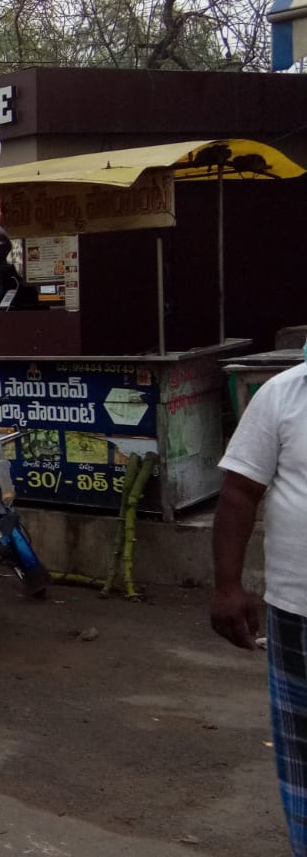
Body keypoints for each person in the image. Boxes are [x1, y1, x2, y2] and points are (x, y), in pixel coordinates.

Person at [211, 359, 307, 854]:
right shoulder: (284, 393)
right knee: (303, 762)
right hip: (298, 612)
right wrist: (227, 585)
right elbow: (240, 492)